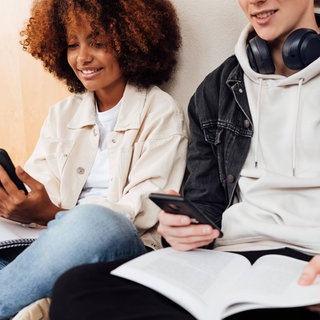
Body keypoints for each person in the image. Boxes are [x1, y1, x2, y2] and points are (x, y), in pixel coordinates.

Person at [49, 0, 320, 319]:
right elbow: (205, 205)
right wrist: (179, 228)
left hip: (307, 263)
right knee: (77, 289)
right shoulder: (216, 89)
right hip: (230, 259)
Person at [0, 0, 187, 319]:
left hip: (123, 244)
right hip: (49, 241)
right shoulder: (62, 113)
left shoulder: (161, 111)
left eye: (97, 43)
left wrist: (54, 214)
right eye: (73, 44)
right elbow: (40, 186)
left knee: (93, 223)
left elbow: (139, 214)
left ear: (130, 43)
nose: (82, 57)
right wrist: (16, 201)